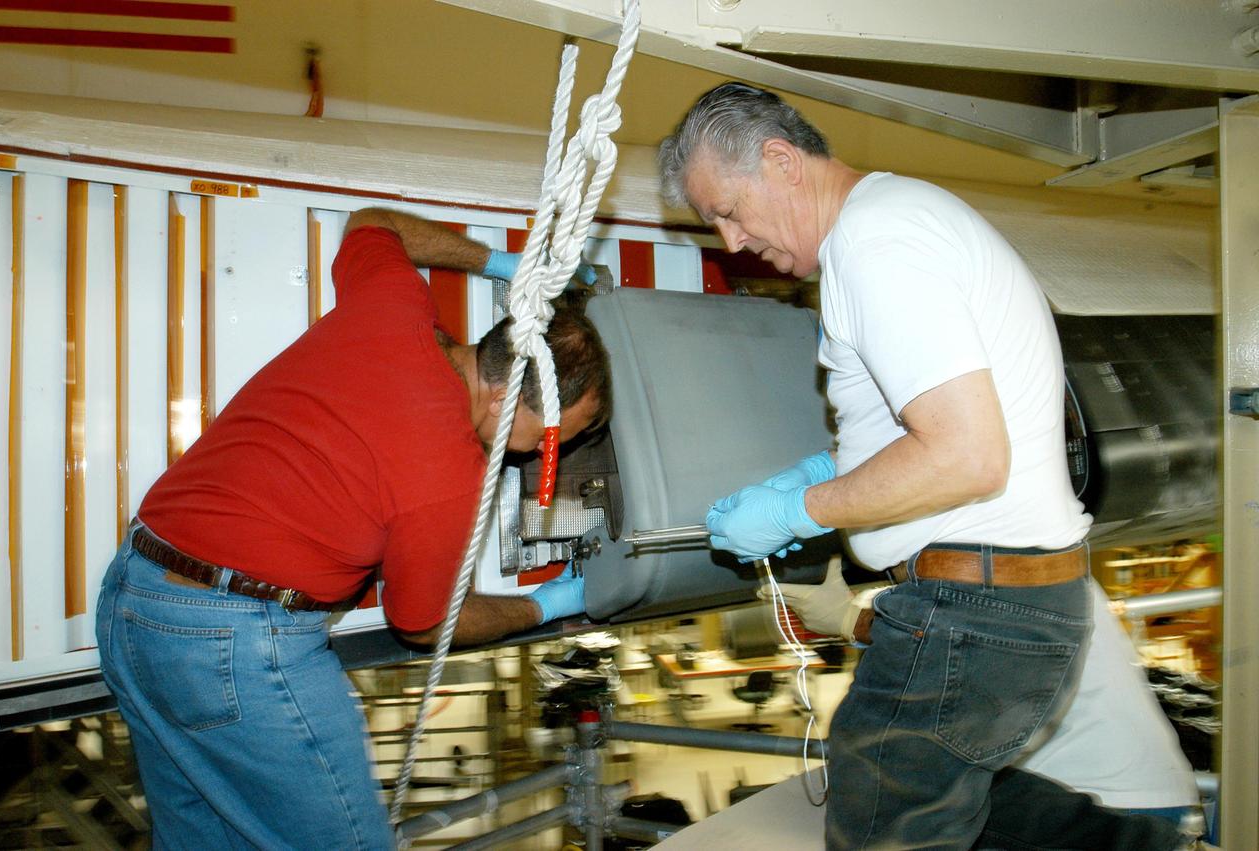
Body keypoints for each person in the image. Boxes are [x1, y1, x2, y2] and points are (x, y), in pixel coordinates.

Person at [659, 83, 1190, 849]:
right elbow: (941, 426)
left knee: (882, 810)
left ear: (780, 161)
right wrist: (821, 471)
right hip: (1010, 601)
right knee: (952, 797)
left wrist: (801, 509)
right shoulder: (894, 223)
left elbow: (966, 456)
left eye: (728, 210)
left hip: (977, 605)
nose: (733, 242)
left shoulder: (877, 243)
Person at [94, 207, 611, 850]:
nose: (538, 453)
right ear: (509, 402)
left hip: (133, 601)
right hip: (234, 644)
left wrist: (498, 263)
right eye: (558, 435)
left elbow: (369, 224)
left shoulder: (394, 305)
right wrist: (542, 605)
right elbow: (421, 623)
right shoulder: (447, 472)